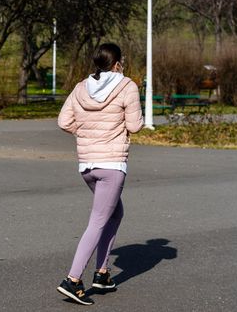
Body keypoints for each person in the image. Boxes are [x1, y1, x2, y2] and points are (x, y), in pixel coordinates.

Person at [56, 43, 144, 305]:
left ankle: (102, 273)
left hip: (87, 166)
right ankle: (72, 280)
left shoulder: (81, 86)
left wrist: (86, 134)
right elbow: (135, 125)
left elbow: (63, 121)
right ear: (117, 62)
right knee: (97, 221)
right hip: (112, 165)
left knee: (115, 213)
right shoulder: (127, 86)